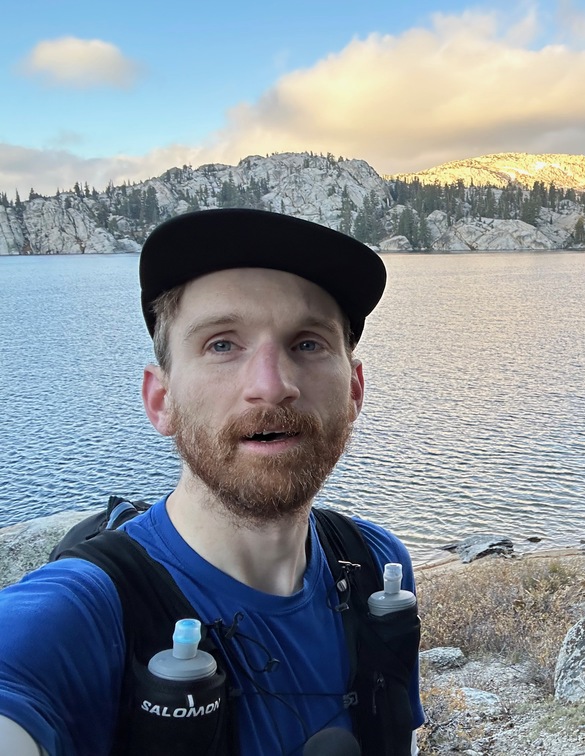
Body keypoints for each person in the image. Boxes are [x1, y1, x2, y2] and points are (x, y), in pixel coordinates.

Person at [0, 208, 424, 755]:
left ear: (355, 390)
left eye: (309, 343)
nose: (272, 386)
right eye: (222, 344)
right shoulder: (81, 616)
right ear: (162, 401)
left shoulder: (374, 564)